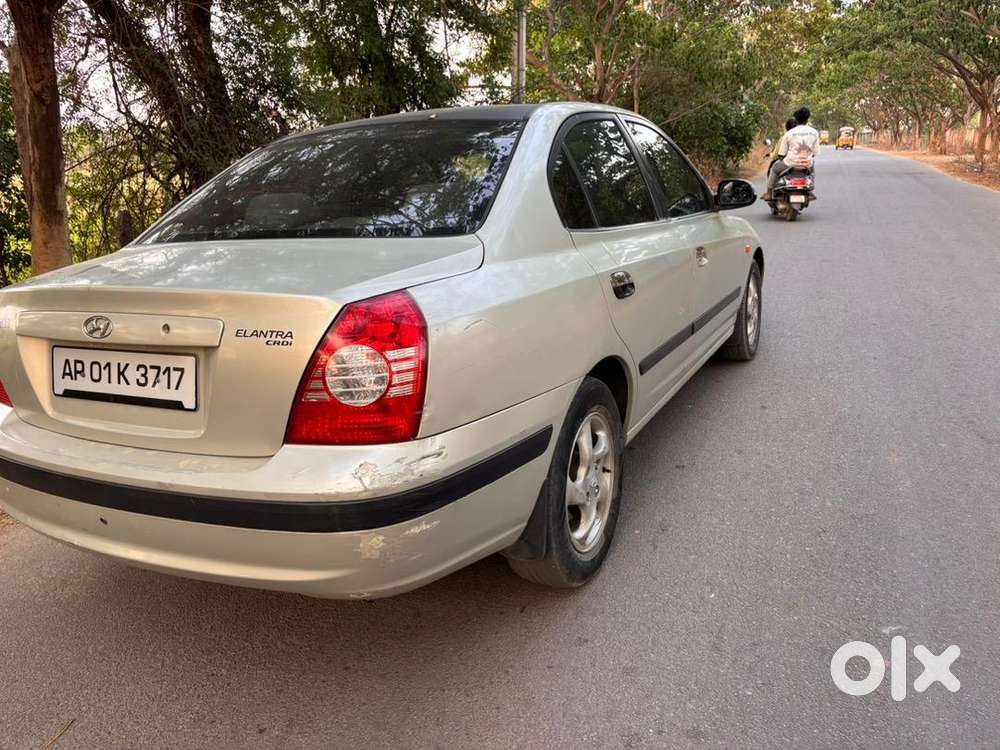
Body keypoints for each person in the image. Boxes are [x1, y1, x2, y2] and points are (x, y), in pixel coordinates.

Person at [765, 107, 819, 200]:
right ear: (807, 119)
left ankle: (769, 193)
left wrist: (783, 158)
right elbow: (815, 153)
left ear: (796, 119)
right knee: (812, 171)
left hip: (790, 163)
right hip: (807, 163)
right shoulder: (814, 133)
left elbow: (781, 154)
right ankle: (810, 192)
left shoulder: (789, 133)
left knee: (774, 169)